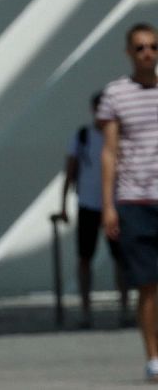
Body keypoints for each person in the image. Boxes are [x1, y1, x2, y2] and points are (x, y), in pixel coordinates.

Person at [98, 22, 158, 382]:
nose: (148, 53)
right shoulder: (116, 94)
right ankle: (154, 355)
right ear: (128, 53)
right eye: (140, 48)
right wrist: (108, 205)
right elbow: (109, 152)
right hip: (135, 200)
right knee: (148, 284)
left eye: (153, 47)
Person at [60, 91, 130, 327]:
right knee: (84, 258)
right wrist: (63, 205)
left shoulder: (121, 136)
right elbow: (70, 171)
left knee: (121, 258)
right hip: (88, 205)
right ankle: (85, 311)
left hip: (116, 205)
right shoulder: (82, 137)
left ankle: (125, 308)